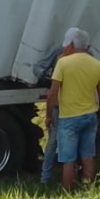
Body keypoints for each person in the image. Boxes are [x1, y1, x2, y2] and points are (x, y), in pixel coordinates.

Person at [45, 27, 100, 192]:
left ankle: (68, 193)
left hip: (69, 118)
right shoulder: (97, 65)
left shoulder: (63, 63)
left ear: (71, 44)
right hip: (90, 116)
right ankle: (89, 191)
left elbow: (52, 94)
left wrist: (48, 115)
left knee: (68, 160)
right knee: (88, 156)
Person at [33, 43, 64, 185]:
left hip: (62, 106)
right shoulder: (89, 58)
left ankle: (45, 178)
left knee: (53, 141)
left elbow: (38, 69)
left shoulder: (60, 54)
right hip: (77, 108)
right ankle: (78, 177)